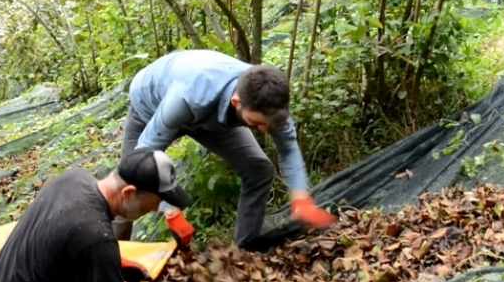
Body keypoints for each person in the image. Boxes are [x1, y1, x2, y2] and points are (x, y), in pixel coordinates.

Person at [0, 148, 214, 282]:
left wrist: (116, 264)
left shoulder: (73, 178)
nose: (153, 210)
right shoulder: (96, 239)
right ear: (128, 193)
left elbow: (60, 237)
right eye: (154, 202)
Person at [117, 49, 338, 249]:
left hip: (210, 115)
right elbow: (145, 153)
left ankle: (244, 249)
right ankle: (112, 260)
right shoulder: (189, 96)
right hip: (152, 105)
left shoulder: (270, 104)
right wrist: (170, 209)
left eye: (268, 124)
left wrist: (301, 200)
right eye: (256, 122)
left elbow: (288, 149)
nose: (263, 130)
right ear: (236, 102)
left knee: (259, 168)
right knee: (127, 185)